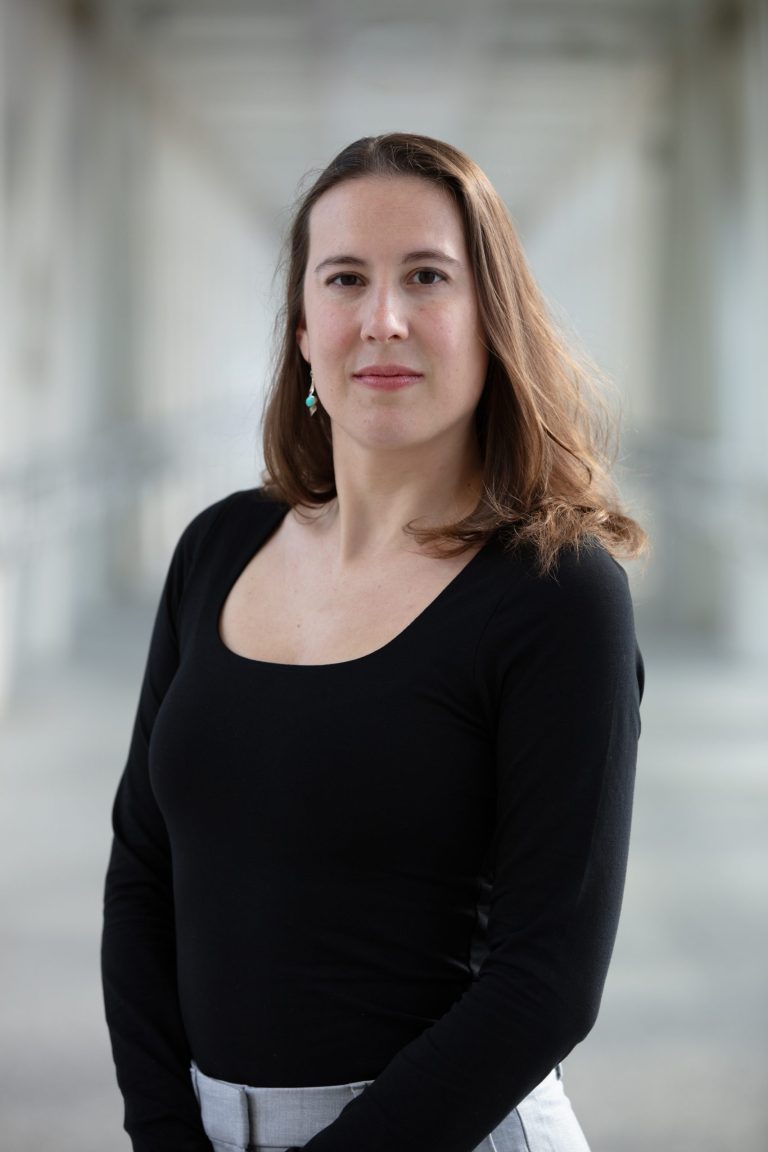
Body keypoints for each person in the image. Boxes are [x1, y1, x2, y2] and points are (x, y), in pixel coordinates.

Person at [101, 132, 647, 1152]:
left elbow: (547, 982)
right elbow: (141, 868)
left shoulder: (556, 594)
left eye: (428, 277)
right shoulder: (218, 548)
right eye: (346, 278)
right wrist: (165, 1133)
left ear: (491, 319)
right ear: (305, 329)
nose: (383, 319)